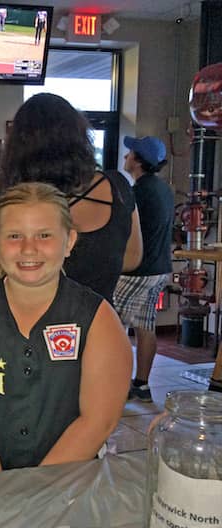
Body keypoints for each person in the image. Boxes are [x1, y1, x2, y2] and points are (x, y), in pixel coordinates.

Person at [0, 182, 131, 470]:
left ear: (69, 241)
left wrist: (37, 486)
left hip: (70, 478)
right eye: (14, 236)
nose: (29, 248)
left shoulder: (97, 318)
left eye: (44, 235)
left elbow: (98, 420)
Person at [0, 93, 143, 305]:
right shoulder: (117, 187)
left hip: (29, 319)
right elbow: (133, 258)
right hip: (100, 317)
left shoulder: (14, 199)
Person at [114, 136, 174, 402]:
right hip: (159, 268)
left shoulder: (136, 193)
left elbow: (122, 231)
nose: (125, 157)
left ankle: (117, 386)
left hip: (136, 270)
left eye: (129, 154)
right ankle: (142, 384)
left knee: (114, 327)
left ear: (138, 161)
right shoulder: (164, 189)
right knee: (145, 325)